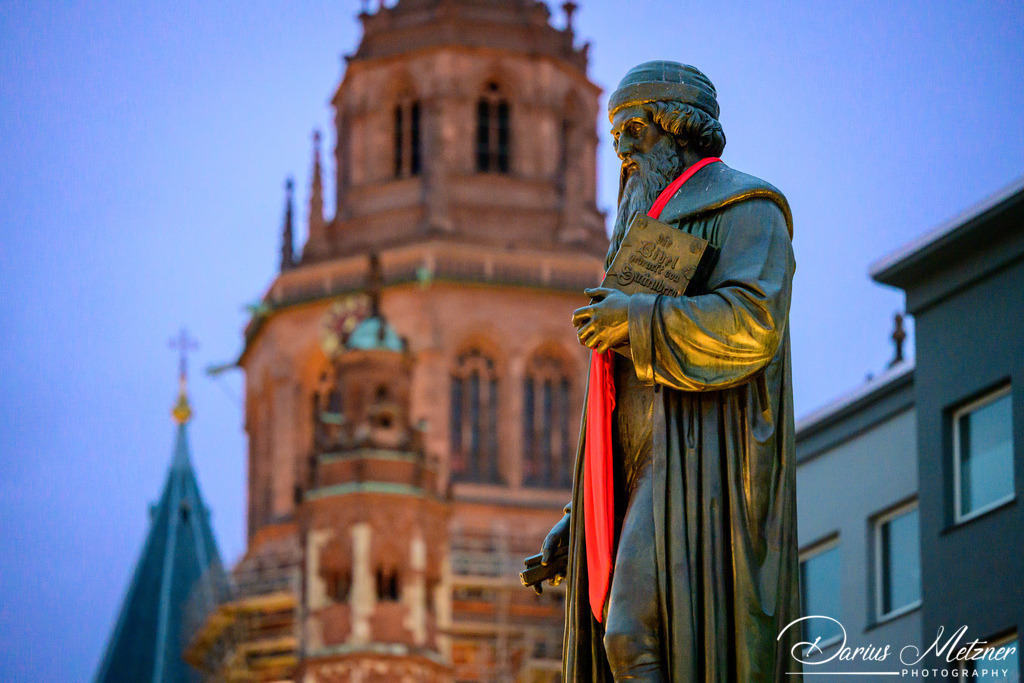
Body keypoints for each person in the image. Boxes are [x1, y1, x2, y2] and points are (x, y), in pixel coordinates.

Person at [539, 61, 802, 681]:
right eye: (617, 133)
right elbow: (623, 401)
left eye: (640, 130)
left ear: (683, 131)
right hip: (644, 471)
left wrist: (638, 320)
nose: (625, 148)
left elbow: (753, 320)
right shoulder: (640, 238)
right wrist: (583, 514)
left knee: (632, 637)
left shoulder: (748, 209)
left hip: (703, 464)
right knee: (626, 638)